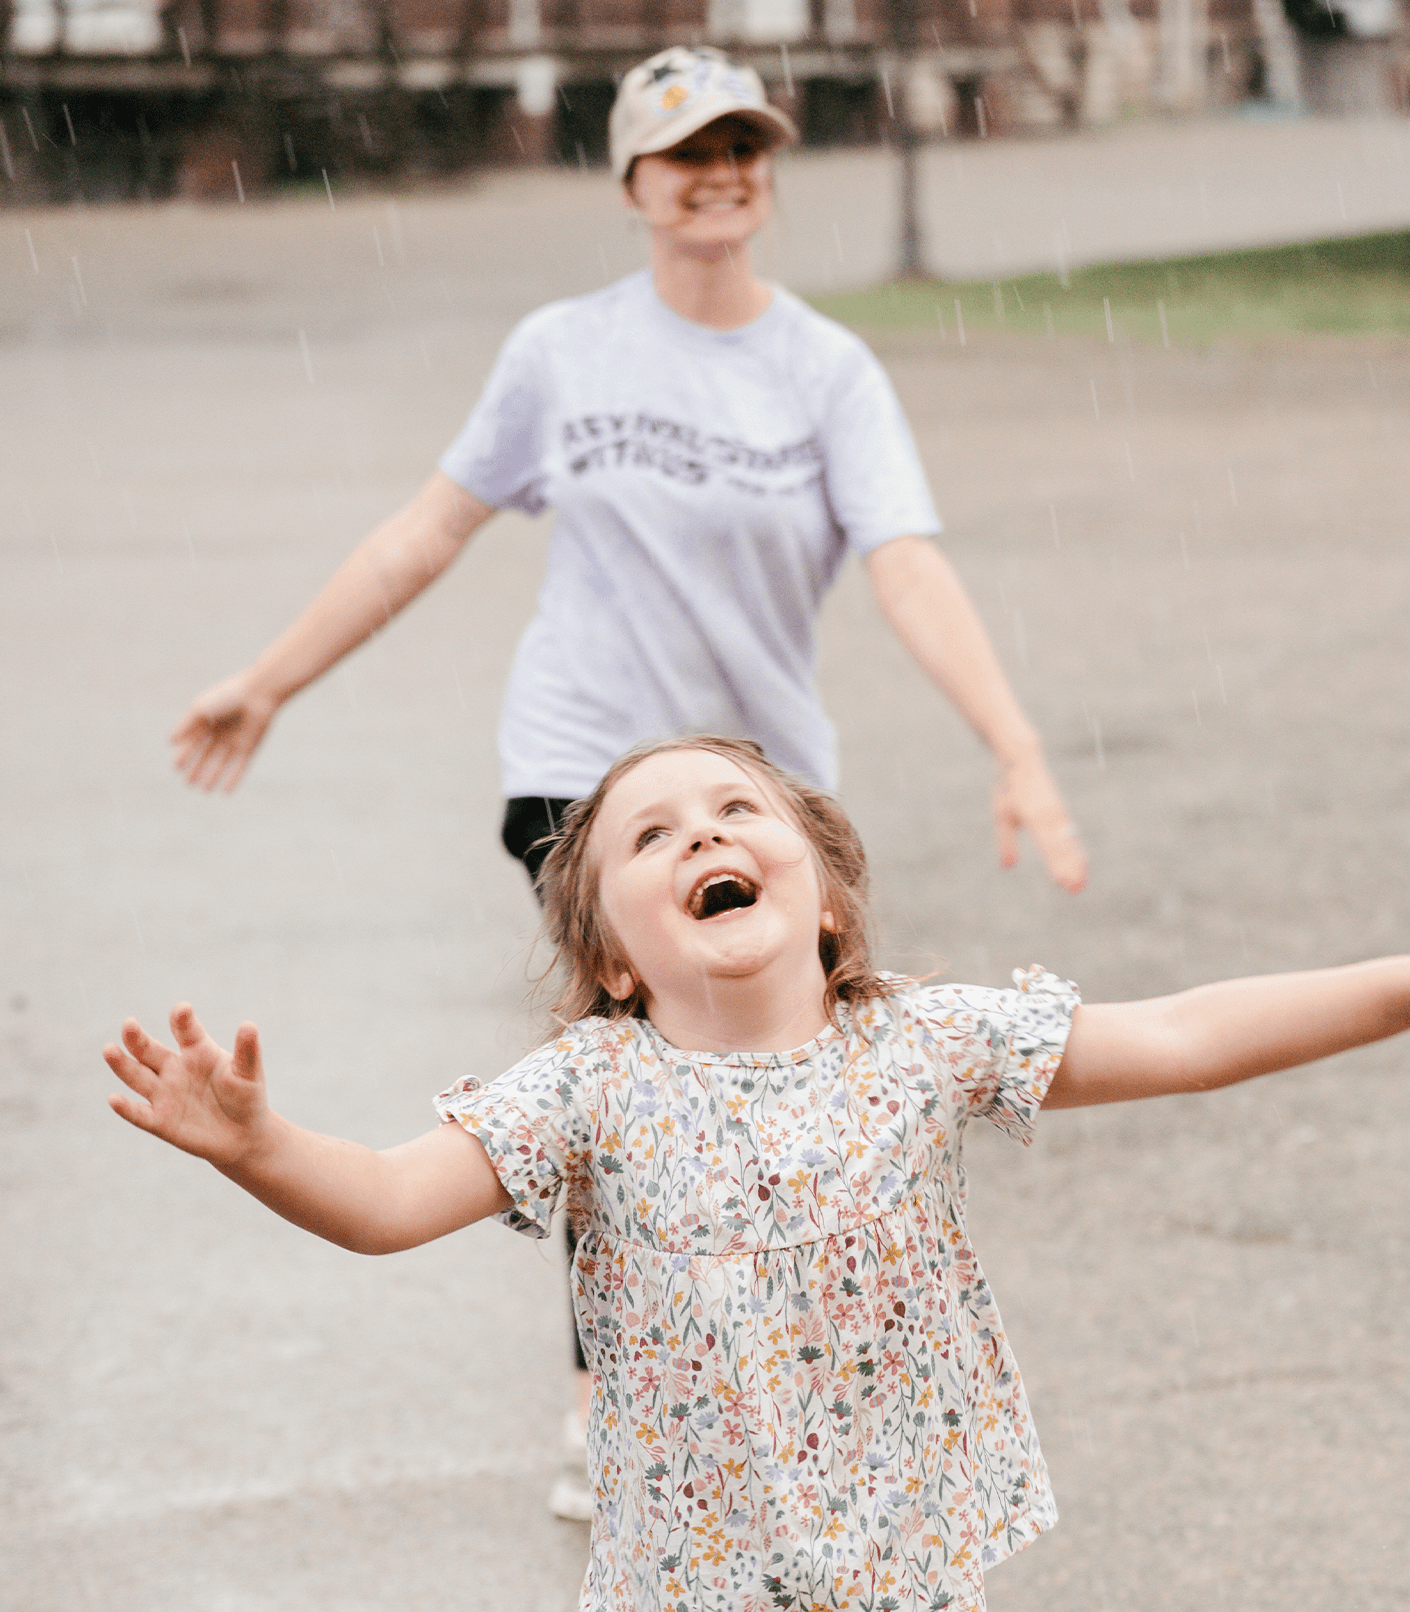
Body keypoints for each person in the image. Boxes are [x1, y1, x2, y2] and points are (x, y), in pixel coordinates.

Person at [103, 734, 1410, 1612]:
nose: (701, 833)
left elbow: (1188, 1034)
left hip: (899, 1608)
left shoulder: (924, 1044)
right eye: (651, 834)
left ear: (822, 893)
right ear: (617, 958)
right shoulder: (588, 1090)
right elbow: (378, 1199)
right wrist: (257, 1147)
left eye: (734, 809)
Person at [167, 48, 1086, 1518]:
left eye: (742, 147)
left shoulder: (827, 371)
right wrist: (269, 678)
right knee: (639, 1073)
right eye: (685, 153)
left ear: (767, 171)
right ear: (632, 184)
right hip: (584, 783)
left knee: (780, 1064)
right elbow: (427, 530)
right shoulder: (562, 352)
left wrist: (1016, 742)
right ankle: (616, 1396)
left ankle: (794, 1369)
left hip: (755, 789)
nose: (719, 173)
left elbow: (906, 567)